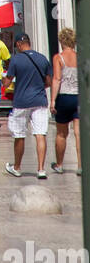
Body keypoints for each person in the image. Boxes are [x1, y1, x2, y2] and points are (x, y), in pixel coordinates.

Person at [4, 34, 52, 179]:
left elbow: (7, 83)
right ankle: (41, 169)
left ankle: (17, 167)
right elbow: (49, 82)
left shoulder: (16, 59)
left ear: (19, 44)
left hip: (21, 102)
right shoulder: (42, 58)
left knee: (19, 135)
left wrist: (3, 79)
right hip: (40, 101)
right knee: (40, 134)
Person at [50, 27, 81, 175]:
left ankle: (60, 164)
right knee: (78, 133)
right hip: (78, 97)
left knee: (61, 134)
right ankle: (81, 166)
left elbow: (57, 79)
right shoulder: (80, 57)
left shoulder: (58, 57)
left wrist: (52, 101)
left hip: (64, 97)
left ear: (62, 41)